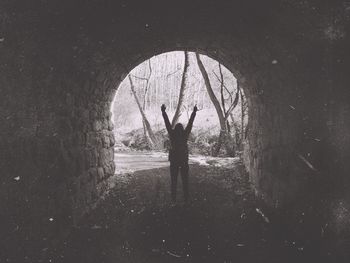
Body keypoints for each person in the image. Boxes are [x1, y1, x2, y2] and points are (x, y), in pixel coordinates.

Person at [161, 104, 197, 203]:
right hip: (184, 160)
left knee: (174, 181)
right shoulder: (185, 135)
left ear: (176, 129)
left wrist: (163, 112)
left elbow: (167, 123)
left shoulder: (172, 135)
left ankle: (173, 200)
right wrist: (194, 112)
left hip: (174, 161)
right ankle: (186, 199)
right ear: (182, 129)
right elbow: (190, 123)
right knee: (185, 181)